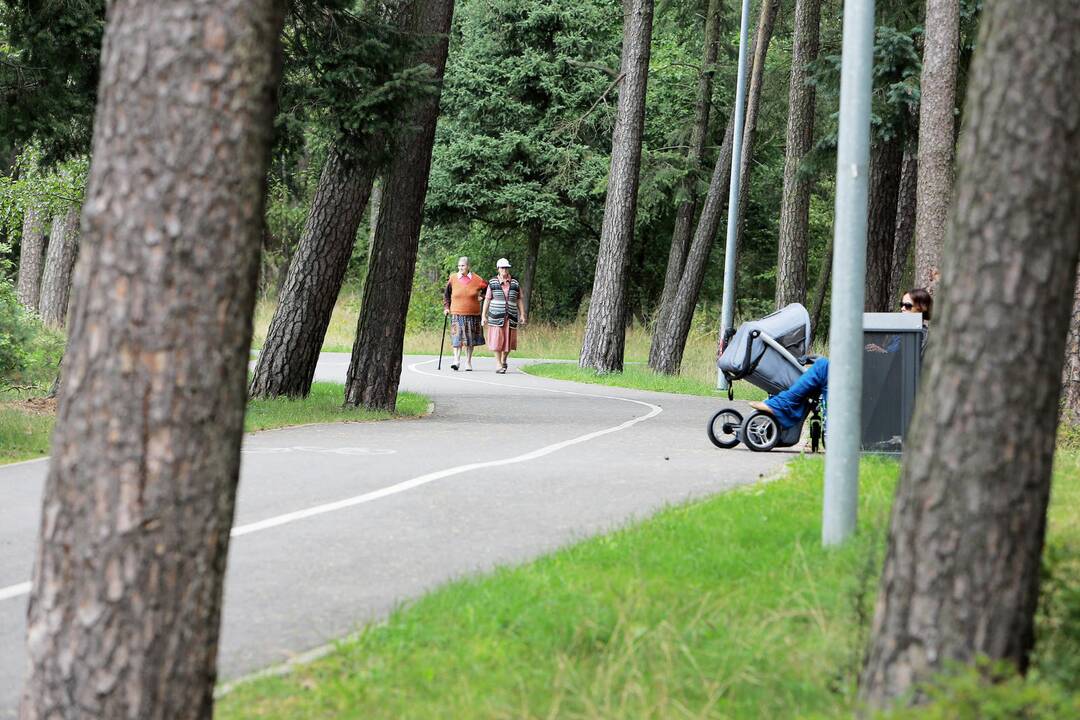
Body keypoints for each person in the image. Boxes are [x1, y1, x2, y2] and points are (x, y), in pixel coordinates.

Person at [749, 288, 933, 428]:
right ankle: (791, 411)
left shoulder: (918, 334)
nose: (902, 308)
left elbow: (901, 363)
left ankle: (784, 406)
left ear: (921, 308)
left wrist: (881, 353)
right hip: (878, 380)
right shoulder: (907, 331)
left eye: (907, 306)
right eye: (901, 304)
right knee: (825, 374)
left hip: (885, 388)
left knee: (823, 367)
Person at [481, 258, 526, 374]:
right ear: (498, 269)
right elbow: (487, 299)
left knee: (509, 341)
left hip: (511, 316)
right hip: (496, 316)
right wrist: (483, 316)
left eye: (506, 268)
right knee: (497, 341)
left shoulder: (515, 283)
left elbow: (519, 299)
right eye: (502, 268)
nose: (504, 270)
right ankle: (498, 363)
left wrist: (522, 315)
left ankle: (504, 359)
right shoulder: (492, 283)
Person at [443, 256, 488, 371]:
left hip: (472, 314)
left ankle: (468, 362)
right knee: (456, 338)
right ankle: (456, 361)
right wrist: (446, 307)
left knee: (470, 340)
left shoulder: (478, 279)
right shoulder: (453, 278)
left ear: (468, 266)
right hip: (456, 314)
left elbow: (488, 290)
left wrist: (482, 297)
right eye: (459, 266)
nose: (460, 268)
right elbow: (447, 295)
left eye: (462, 265)